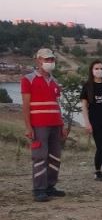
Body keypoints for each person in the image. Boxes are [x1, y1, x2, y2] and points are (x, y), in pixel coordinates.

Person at [21, 48, 66, 202]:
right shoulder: (28, 79)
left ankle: (50, 186)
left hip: (55, 125)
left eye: (52, 59)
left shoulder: (54, 81)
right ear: (38, 60)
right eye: (46, 59)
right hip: (39, 125)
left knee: (55, 156)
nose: (50, 62)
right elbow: (26, 105)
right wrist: (28, 127)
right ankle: (39, 189)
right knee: (40, 157)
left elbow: (57, 105)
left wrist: (62, 125)